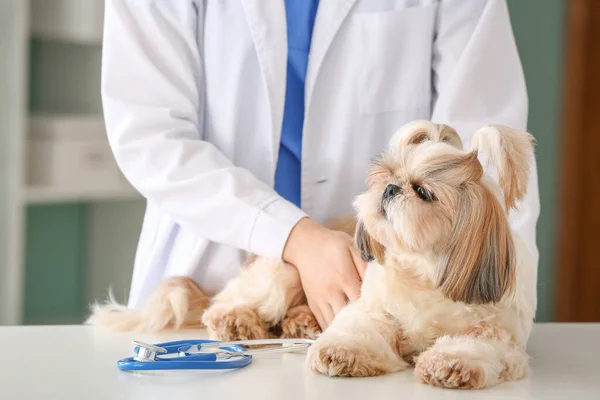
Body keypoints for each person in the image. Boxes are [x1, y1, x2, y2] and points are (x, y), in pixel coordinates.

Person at [101, 0, 540, 329]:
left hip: (379, 302)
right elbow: (151, 132)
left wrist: (498, 317)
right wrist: (295, 238)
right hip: (206, 282)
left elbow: (488, 159)